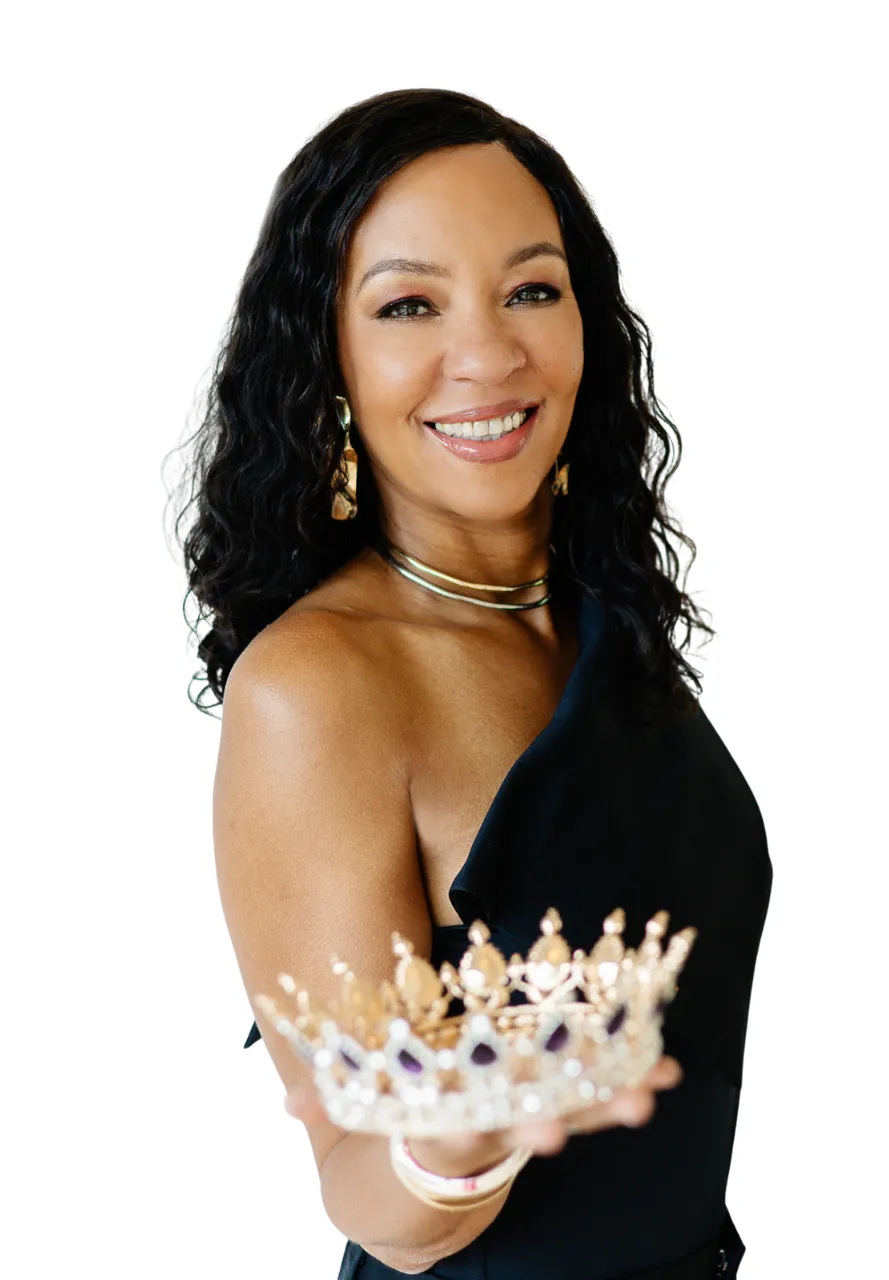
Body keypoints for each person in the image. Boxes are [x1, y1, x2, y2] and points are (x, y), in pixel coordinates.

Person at [161, 87, 772, 1279]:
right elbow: (361, 1182)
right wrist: (455, 1133)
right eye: (409, 304)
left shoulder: (601, 618)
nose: (489, 353)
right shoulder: (315, 685)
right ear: (327, 357)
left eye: (530, 289)